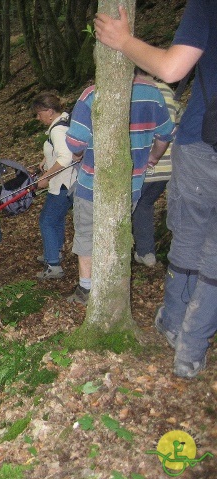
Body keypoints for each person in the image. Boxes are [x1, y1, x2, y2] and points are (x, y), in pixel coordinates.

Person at [95, 1, 217, 379]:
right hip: (195, 145)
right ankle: (189, 350)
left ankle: (178, 329)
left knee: (190, 235)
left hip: (201, 143)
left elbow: (172, 67)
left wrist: (124, 40)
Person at [65, 74, 174, 305]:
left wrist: (78, 155)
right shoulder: (153, 93)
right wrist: (153, 157)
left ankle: (86, 289)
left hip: (92, 184)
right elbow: (165, 134)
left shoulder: (92, 94)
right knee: (118, 233)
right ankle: (112, 287)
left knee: (87, 233)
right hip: (132, 184)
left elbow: (76, 143)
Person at [132, 71, 179, 268]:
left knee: (138, 205)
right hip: (169, 165)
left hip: (147, 162)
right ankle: (147, 251)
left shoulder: (138, 93)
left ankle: (144, 251)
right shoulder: (168, 92)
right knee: (145, 204)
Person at [32, 93, 78, 280]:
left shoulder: (57, 130)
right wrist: (46, 157)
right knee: (55, 219)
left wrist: (45, 177)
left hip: (62, 184)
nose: (37, 118)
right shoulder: (64, 122)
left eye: (39, 113)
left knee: (47, 221)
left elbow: (65, 158)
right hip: (69, 182)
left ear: (50, 112)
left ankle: (53, 265)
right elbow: (63, 148)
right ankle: (54, 252)